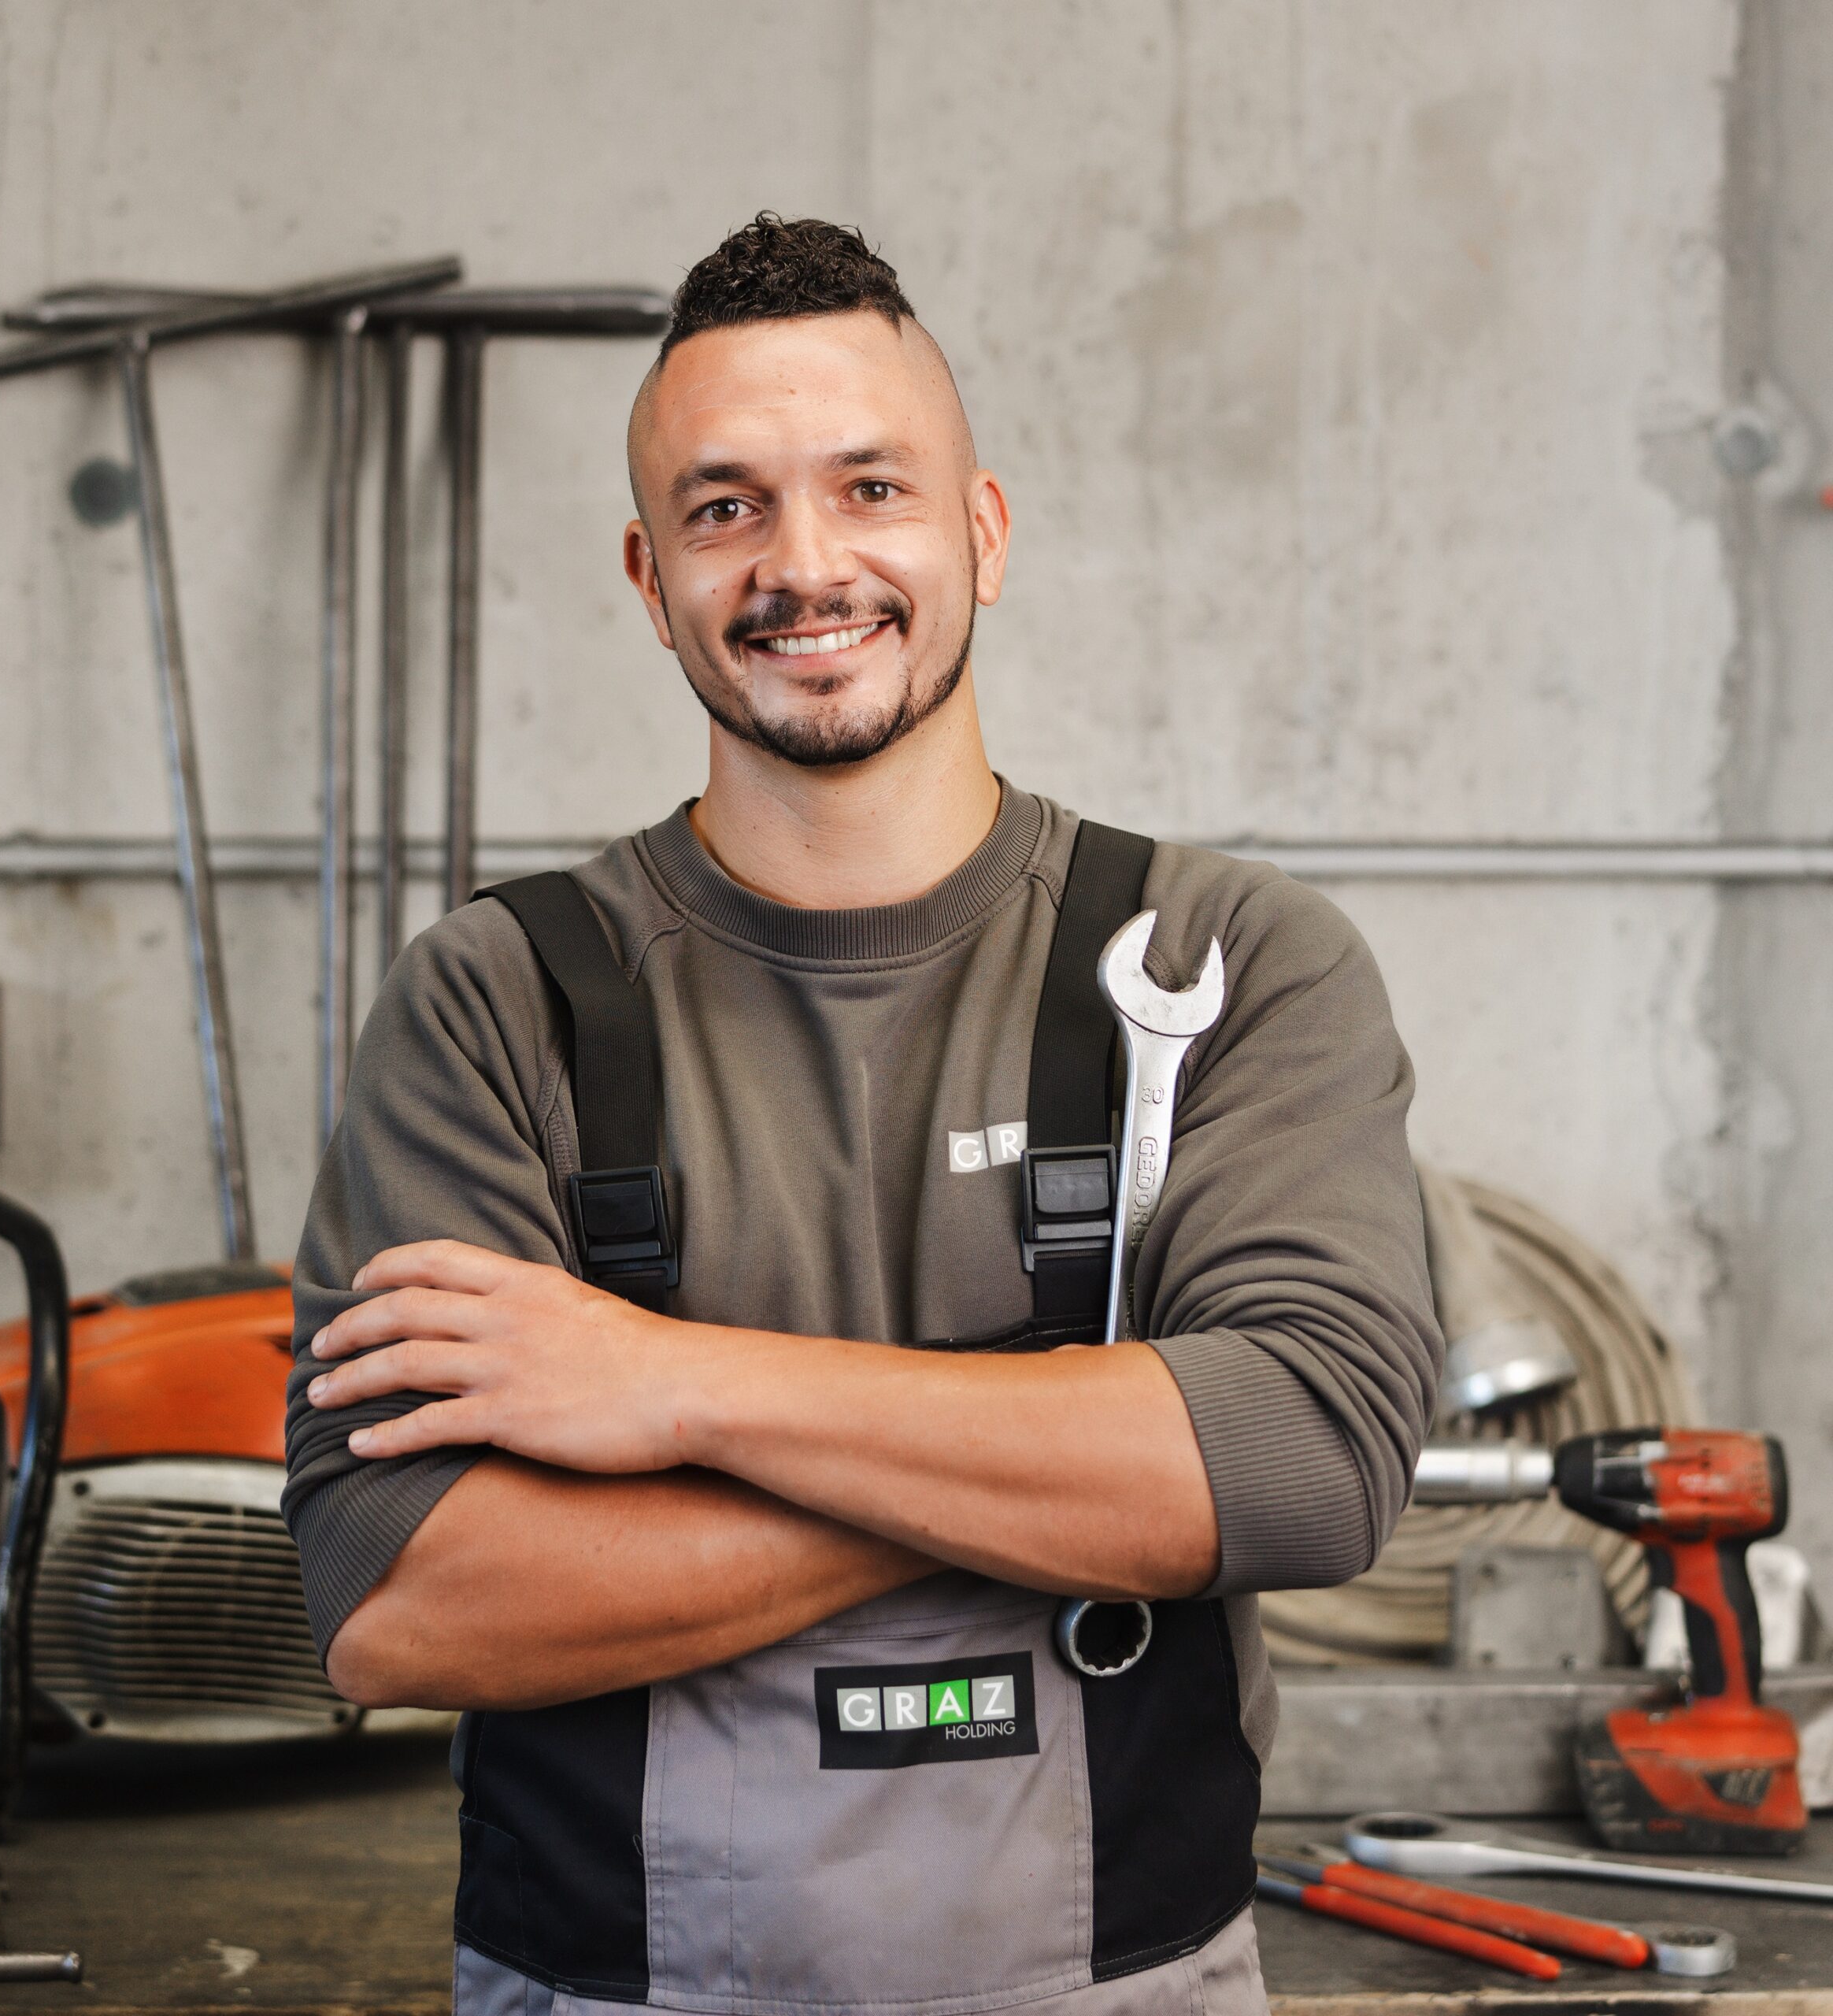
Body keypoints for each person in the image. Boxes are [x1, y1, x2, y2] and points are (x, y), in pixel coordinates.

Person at [283, 213, 1440, 2016]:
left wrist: (670, 1387)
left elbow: (1306, 1458)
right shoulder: (493, 997)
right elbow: (405, 1601)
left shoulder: (1226, 957)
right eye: (724, 506)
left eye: (869, 486)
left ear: (979, 527)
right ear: (646, 568)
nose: (802, 563)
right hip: (609, 1990)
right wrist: (1078, 1466)